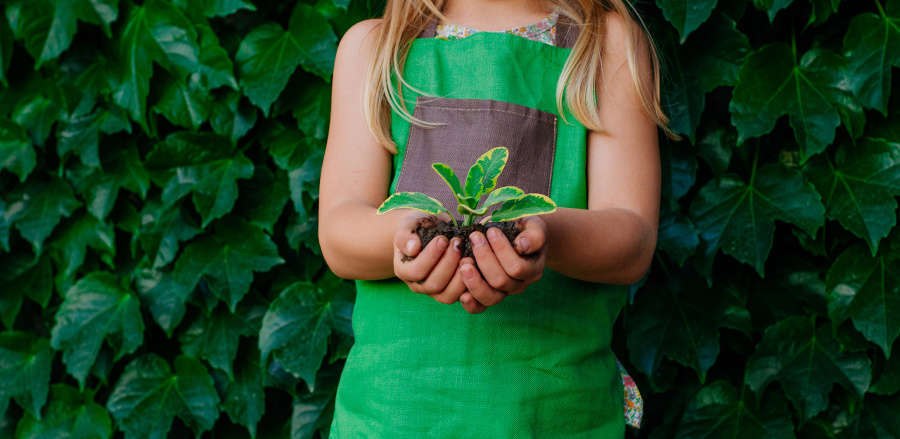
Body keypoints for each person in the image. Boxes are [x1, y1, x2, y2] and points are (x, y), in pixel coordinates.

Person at [318, 0, 673, 435]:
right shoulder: (374, 47)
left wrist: (545, 235)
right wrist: (404, 238)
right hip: (392, 415)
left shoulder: (606, 43)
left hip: (555, 413)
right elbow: (339, 234)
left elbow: (632, 241)